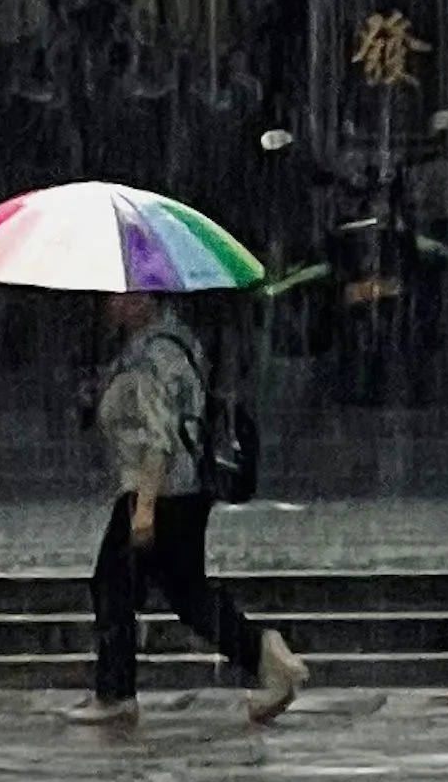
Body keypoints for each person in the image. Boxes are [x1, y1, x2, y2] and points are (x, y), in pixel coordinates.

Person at [81, 289, 307, 730]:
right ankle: (266, 654)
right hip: (187, 492)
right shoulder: (176, 340)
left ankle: (115, 694)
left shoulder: (152, 353)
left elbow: (158, 439)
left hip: (157, 492)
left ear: (146, 299)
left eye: (122, 296)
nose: (112, 305)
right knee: (188, 594)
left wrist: (144, 508)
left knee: (112, 584)